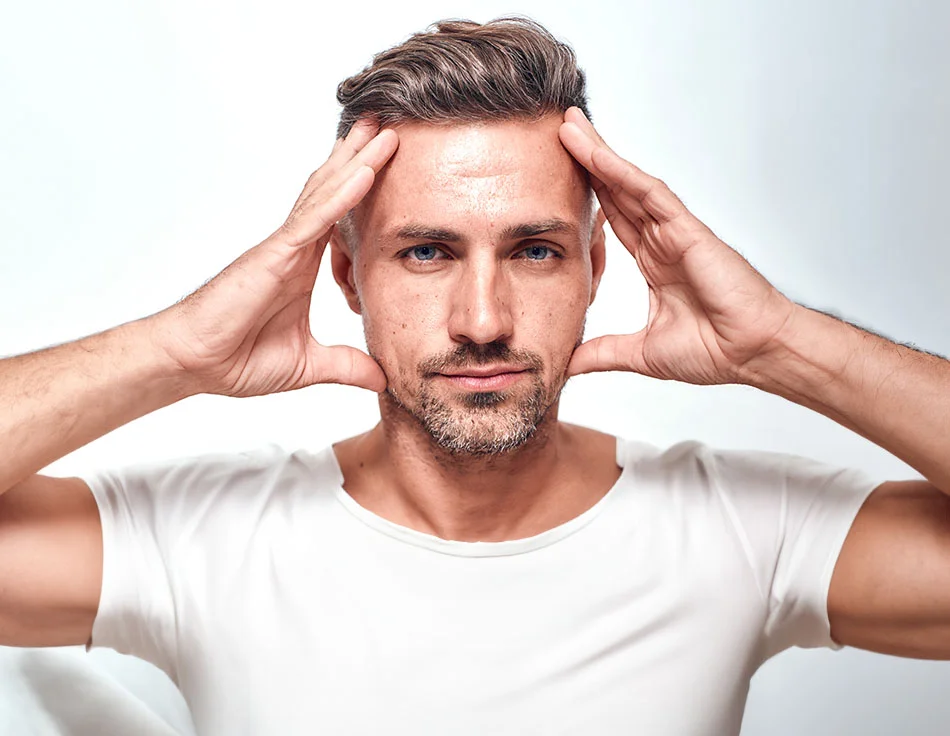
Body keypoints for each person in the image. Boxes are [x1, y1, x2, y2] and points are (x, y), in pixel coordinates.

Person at [1, 15, 948, 736]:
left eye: (535, 251)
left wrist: (783, 342)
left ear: (595, 270)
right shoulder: (201, 540)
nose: (483, 323)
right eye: (425, 253)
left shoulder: (748, 528)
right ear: (344, 274)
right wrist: (177, 350)